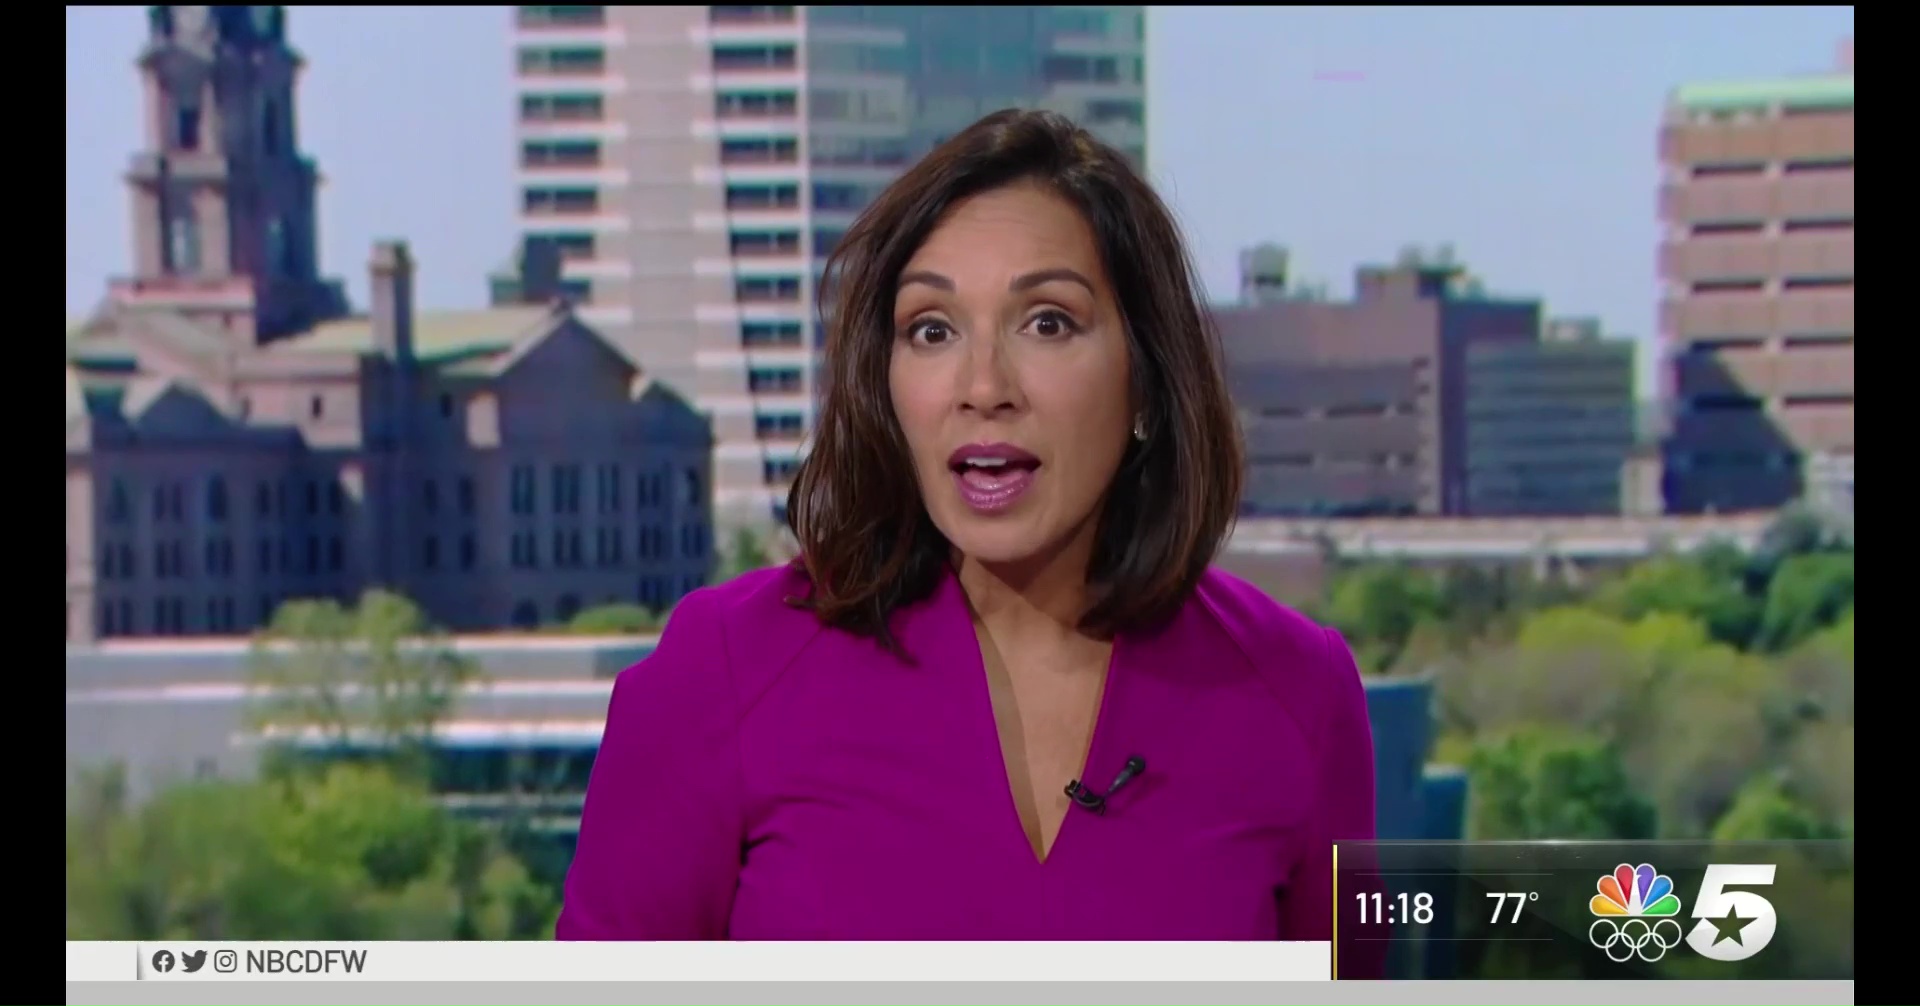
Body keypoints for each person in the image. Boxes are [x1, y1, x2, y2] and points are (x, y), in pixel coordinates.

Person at [556, 108, 1379, 943]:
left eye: (1048, 322)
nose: (983, 386)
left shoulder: (1298, 695)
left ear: (1146, 382)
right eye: (933, 330)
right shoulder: (725, 674)